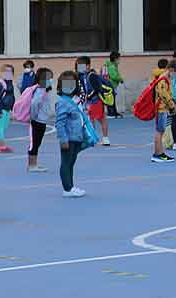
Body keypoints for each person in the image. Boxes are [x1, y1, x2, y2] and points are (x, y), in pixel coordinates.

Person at [53, 70, 91, 198]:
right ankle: (67, 188)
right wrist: (63, 139)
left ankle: (71, 186)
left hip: (76, 137)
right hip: (68, 138)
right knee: (66, 162)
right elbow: (60, 123)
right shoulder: (63, 102)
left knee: (71, 163)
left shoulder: (72, 101)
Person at [75, 56, 113, 147]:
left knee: (101, 119)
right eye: (78, 66)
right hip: (88, 101)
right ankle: (93, 137)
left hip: (96, 100)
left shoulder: (92, 75)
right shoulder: (81, 75)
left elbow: (97, 89)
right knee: (90, 119)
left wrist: (88, 96)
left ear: (88, 66)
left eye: (81, 66)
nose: (79, 68)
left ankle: (105, 138)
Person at [28, 67, 56, 172]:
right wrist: (33, 116)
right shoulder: (40, 91)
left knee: (37, 143)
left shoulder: (44, 91)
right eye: (49, 78)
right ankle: (31, 165)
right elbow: (34, 103)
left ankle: (34, 163)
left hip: (42, 121)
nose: (51, 80)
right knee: (34, 143)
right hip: (37, 121)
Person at [148, 59, 176, 163]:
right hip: (161, 108)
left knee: (160, 131)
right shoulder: (163, 78)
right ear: (172, 69)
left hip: (161, 107)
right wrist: (172, 105)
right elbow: (163, 93)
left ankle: (159, 153)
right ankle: (158, 154)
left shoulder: (160, 76)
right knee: (160, 132)